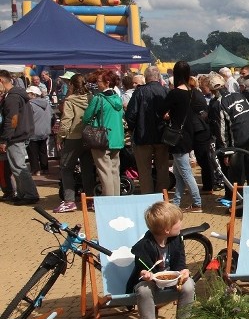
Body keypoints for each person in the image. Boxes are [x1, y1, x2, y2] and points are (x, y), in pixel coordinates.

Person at [127, 201, 195, 319]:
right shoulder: (144, 246)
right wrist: (145, 274)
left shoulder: (176, 239)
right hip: (152, 283)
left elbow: (180, 262)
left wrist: (183, 271)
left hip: (171, 282)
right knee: (143, 289)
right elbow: (142, 268)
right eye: (178, 222)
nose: (181, 223)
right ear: (166, 229)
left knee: (189, 284)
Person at [160, 61, 203, 212]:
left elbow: (161, 111)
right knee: (178, 173)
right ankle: (176, 203)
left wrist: (168, 115)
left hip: (177, 137)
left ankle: (197, 203)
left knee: (185, 172)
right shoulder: (192, 93)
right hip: (188, 135)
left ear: (175, 74)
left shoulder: (174, 93)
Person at [126, 66, 171, 195]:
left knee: (144, 170)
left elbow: (130, 115)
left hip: (142, 136)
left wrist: (133, 129)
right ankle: (162, 196)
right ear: (159, 77)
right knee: (162, 168)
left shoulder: (139, 92)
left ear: (146, 78)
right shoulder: (166, 91)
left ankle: (147, 196)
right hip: (162, 135)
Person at [54, 74, 95, 212]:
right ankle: (90, 200)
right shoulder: (91, 98)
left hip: (73, 136)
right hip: (89, 137)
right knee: (87, 168)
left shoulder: (70, 100)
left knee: (66, 167)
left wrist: (60, 137)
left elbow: (66, 121)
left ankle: (69, 201)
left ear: (71, 85)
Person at [82, 69, 125, 197]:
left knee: (104, 173)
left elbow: (86, 117)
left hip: (102, 139)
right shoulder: (118, 98)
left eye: (99, 81)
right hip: (117, 139)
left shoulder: (98, 98)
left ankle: (109, 202)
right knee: (114, 172)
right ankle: (116, 199)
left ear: (107, 82)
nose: (97, 83)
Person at [0, 69, 39, 204]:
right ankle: (24, 193)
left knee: (18, 166)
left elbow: (12, 119)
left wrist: (4, 139)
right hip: (21, 134)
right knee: (17, 166)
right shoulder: (17, 95)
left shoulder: (12, 97)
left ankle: (30, 194)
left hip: (15, 136)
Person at [25, 85, 51, 176]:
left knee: (33, 152)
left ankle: (35, 170)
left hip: (33, 131)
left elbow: (26, 118)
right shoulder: (46, 103)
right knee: (43, 151)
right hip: (44, 131)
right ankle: (45, 168)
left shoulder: (30, 105)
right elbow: (51, 116)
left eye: (28, 93)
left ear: (33, 94)